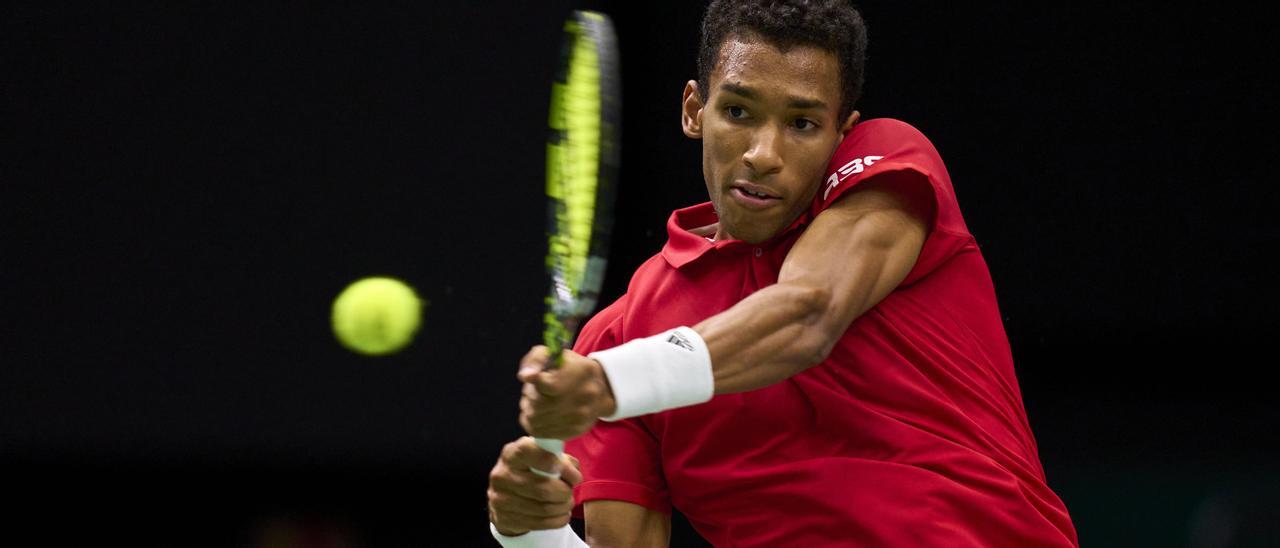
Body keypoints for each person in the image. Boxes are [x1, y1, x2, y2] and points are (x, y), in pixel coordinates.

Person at [487, 1, 1079, 546]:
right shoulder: (618, 340)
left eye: (802, 124)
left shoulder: (890, 170)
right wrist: (528, 534)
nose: (764, 153)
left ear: (842, 134)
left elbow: (808, 312)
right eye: (739, 111)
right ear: (695, 110)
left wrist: (605, 385)